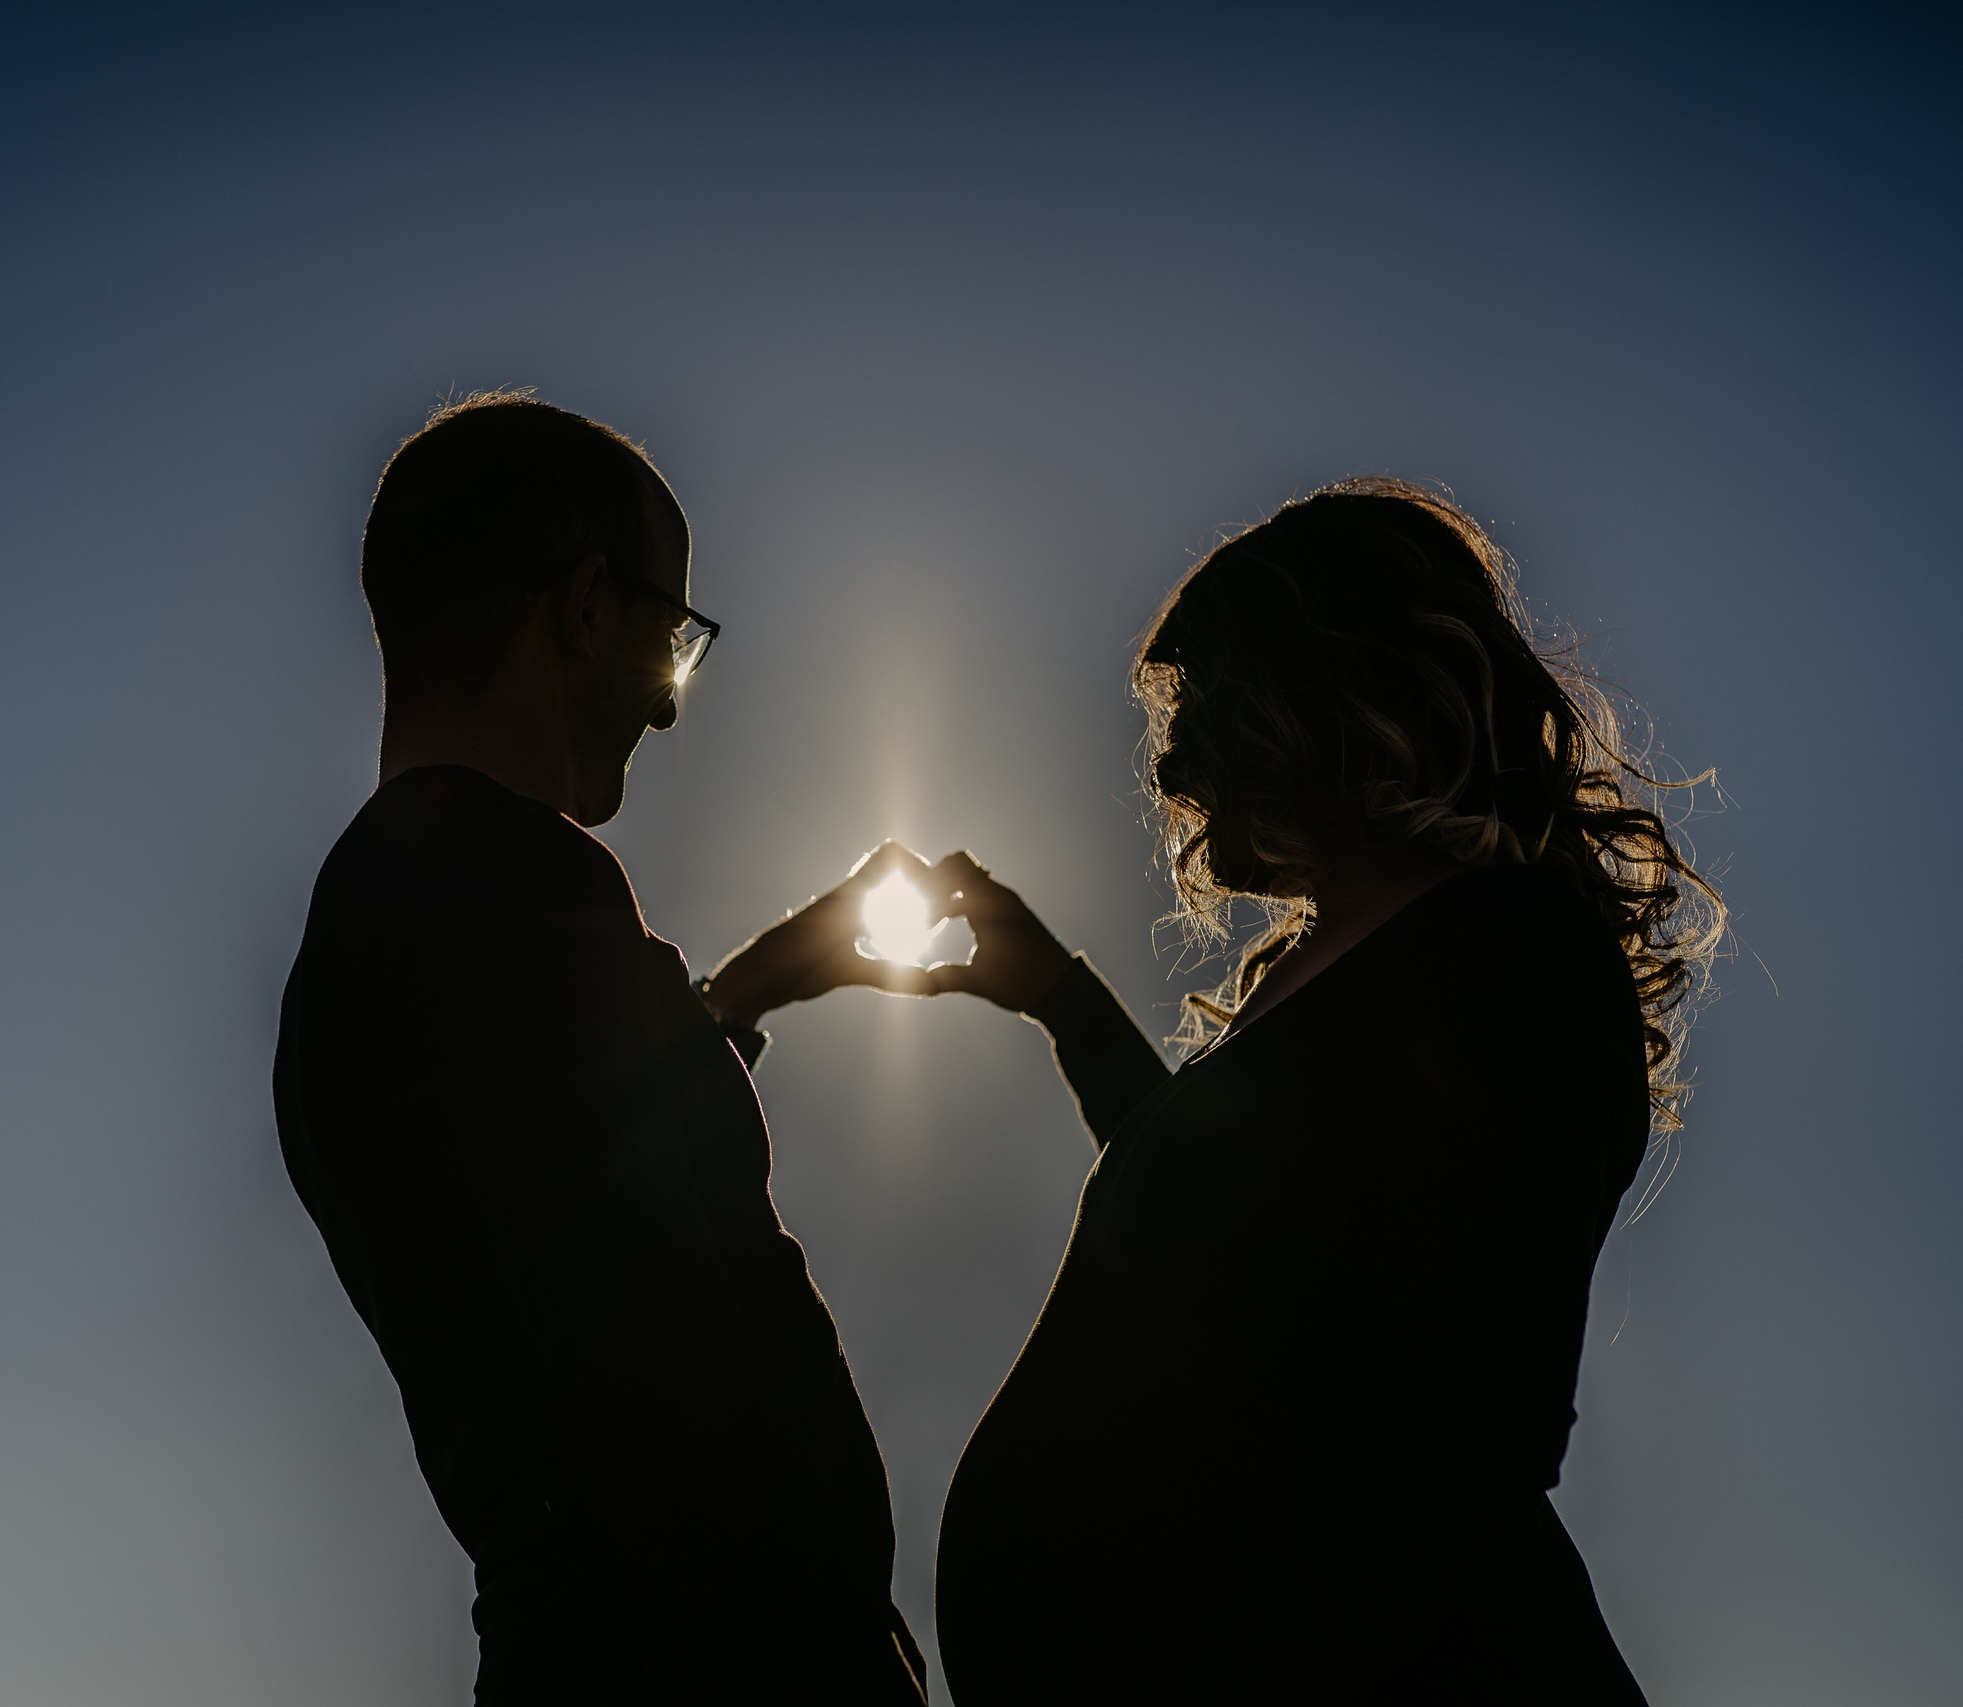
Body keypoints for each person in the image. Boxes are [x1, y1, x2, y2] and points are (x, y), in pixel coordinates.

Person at [704, 478, 1722, 1701]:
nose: (1173, 766)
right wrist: (1055, 995)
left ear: (1322, 695)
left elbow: (1439, 1431)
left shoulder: (1502, 962)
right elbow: (1226, 1233)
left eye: (1201, 706)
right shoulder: (1323, 970)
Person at [273, 393, 929, 1704]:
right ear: (585, 607)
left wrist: (748, 984)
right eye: (669, 635)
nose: (671, 707)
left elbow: (566, 1161)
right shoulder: (515, 878)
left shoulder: (398, 920)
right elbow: (661, 1359)